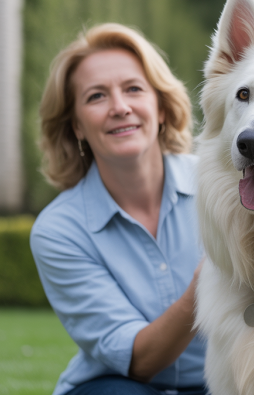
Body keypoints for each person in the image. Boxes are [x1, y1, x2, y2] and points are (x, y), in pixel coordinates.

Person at [30, 23, 207, 395]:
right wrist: (210, 282)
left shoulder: (222, 188)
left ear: (161, 108)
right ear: (76, 125)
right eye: (96, 96)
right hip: (120, 386)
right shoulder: (57, 231)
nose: (120, 107)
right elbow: (140, 362)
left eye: (134, 89)